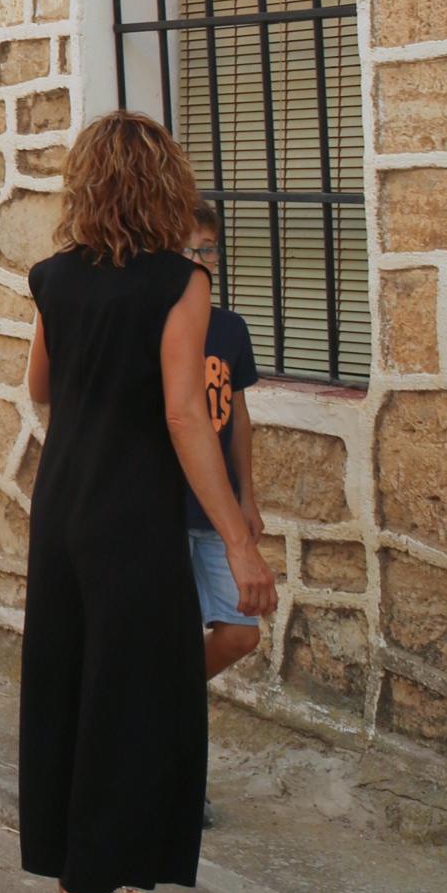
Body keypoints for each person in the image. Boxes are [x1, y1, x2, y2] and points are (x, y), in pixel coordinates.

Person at [21, 113, 277, 893]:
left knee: (78, 695)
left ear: (85, 184)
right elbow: (182, 416)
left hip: (62, 510)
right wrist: (240, 543)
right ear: (164, 184)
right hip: (132, 520)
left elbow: (41, 390)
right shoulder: (182, 282)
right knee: (133, 706)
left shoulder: (52, 278)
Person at [183, 198, 265, 693]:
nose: (197, 260)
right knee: (166, 630)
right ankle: (160, 718)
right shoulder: (157, 326)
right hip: (166, 506)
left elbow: (236, 418)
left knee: (241, 632)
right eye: (185, 249)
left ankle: (169, 697)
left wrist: (247, 497)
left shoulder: (230, 328)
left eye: (207, 250)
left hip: (218, 513)